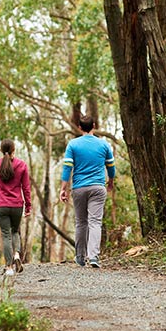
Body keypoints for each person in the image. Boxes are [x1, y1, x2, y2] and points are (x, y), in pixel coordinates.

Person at [60, 115, 115, 268]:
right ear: (94, 125)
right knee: (95, 222)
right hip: (98, 187)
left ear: (79, 127)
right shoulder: (103, 145)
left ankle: (79, 257)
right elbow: (111, 167)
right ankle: (94, 257)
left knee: (81, 222)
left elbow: (67, 168)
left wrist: (63, 188)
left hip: (79, 187)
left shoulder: (73, 145)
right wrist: (110, 182)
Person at [0, 139, 32, 276]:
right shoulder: (22, 165)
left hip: (1, 206)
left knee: (6, 235)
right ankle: (17, 255)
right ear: (14, 150)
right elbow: (26, 188)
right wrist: (28, 206)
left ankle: (9, 267)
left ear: (1, 151)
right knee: (15, 231)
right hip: (17, 205)